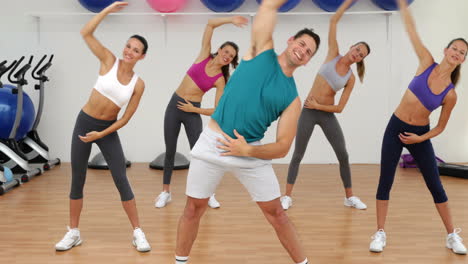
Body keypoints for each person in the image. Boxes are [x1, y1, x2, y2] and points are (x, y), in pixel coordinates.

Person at [173, 0, 321, 263]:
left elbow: (284, 146)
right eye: (301, 44)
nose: (302, 51)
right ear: (290, 41)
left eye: (308, 52)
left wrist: (248, 150)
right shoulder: (260, 52)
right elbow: (267, 9)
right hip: (213, 142)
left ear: (308, 61)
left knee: (277, 213)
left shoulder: (292, 98)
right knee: (194, 208)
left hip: (249, 150)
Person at [369, 0, 467, 255]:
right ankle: (379, 232)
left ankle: (451, 235)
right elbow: (412, 32)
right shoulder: (426, 62)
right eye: (455, 48)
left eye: (462, 53)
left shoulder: (451, 94)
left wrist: (418, 140)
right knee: (385, 181)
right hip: (395, 128)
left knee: (435, 184)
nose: (457, 53)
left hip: (420, 135)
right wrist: (402, 5)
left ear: (462, 60)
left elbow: (441, 127)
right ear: (446, 50)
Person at [54, 2, 151, 252]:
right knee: (78, 178)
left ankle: (138, 232)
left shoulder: (138, 84)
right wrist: (107, 10)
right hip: (84, 122)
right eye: (128, 46)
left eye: (136, 50)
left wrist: (102, 134)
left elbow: (125, 118)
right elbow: (86, 33)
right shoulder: (109, 60)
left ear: (142, 56)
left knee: (120, 177)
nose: (129, 51)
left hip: (107, 129)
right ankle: (73, 232)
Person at [281, 0, 370, 211]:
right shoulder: (333, 53)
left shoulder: (350, 78)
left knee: (343, 154)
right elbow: (333, 21)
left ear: (360, 60)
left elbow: (339, 108)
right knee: (298, 154)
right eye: (357, 49)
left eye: (361, 55)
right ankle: (286, 196)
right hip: (309, 112)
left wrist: (320, 106)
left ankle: (349, 196)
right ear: (351, 47)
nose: (356, 53)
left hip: (326, 113)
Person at [155, 16, 247, 209]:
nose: (228, 56)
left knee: (200, 154)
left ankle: (208, 193)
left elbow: (216, 110)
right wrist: (231, 20)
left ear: (231, 61)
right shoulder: (204, 55)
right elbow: (210, 24)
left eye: (231, 56)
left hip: (191, 111)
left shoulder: (220, 80)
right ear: (220, 50)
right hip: (174, 105)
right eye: (226, 51)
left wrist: (193, 109)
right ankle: (165, 192)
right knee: (170, 150)